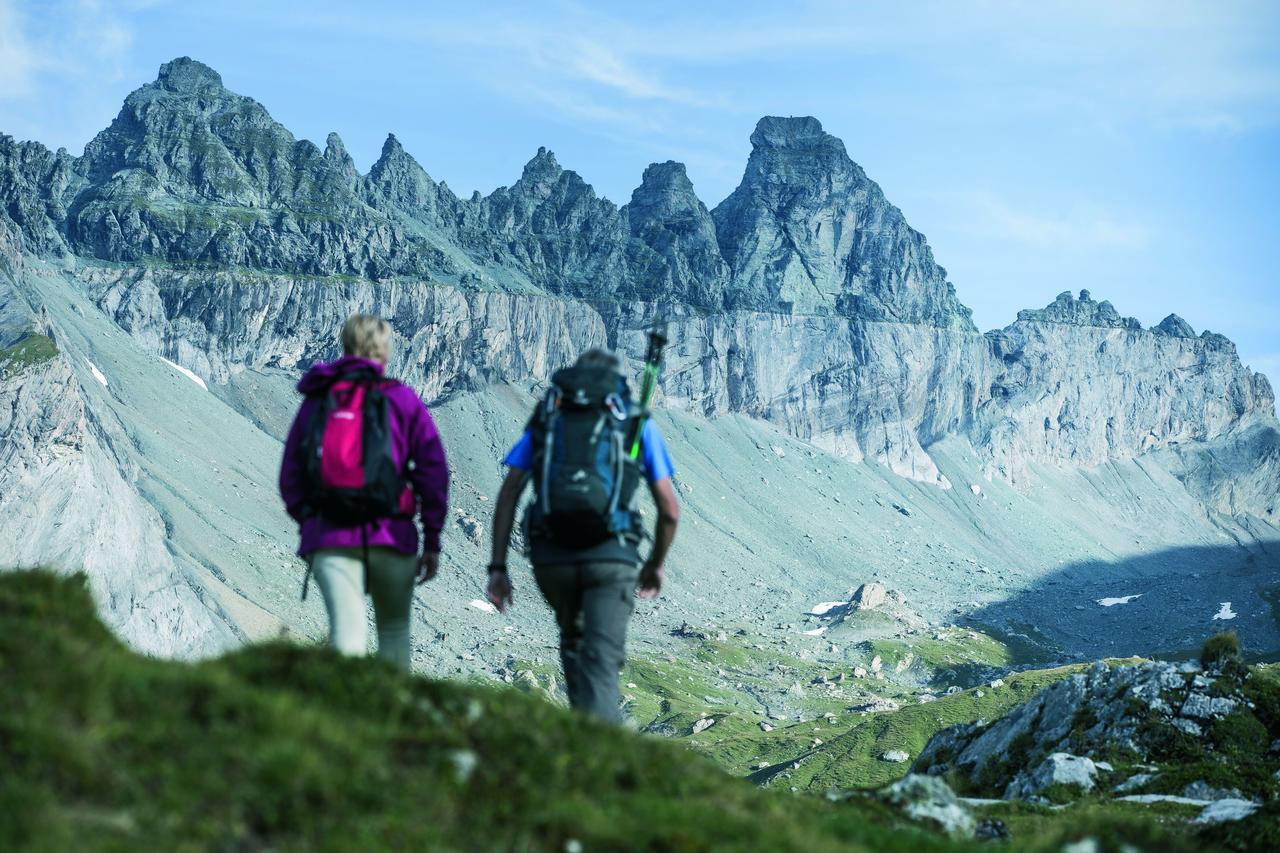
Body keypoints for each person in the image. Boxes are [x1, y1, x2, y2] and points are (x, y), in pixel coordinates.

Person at [486, 348, 679, 723]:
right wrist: (655, 564)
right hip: (611, 557)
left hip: (552, 557)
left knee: (575, 648)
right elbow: (670, 511)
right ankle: (605, 768)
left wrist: (498, 567)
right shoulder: (635, 422)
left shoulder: (548, 419)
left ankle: (583, 756)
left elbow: (509, 492)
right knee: (601, 663)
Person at [278, 313, 448, 670]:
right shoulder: (402, 400)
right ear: (384, 352)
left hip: (330, 535)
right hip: (392, 535)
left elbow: (290, 475)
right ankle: (391, 720)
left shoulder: (318, 399)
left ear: (345, 344)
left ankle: (347, 718)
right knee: (394, 631)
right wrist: (432, 539)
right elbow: (434, 473)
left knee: (347, 636)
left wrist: (312, 520)